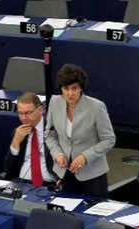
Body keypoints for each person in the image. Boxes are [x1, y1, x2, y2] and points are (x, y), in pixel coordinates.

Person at [45, 63, 116, 198]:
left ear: (81, 88)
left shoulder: (96, 107)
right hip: (65, 172)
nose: (70, 93)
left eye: (74, 88)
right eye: (66, 88)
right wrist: (57, 154)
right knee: (68, 213)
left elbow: (109, 140)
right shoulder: (54, 103)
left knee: (95, 214)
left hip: (92, 173)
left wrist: (85, 156)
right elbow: (49, 135)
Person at [4, 92, 57, 186]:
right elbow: (8, 170)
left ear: (41, 110)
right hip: (22, 182)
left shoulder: (54, 130)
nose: (24, 118)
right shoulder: (18, 132)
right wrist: (15, 143)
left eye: (28, 113)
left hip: (49, 184)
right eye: (20, 113)